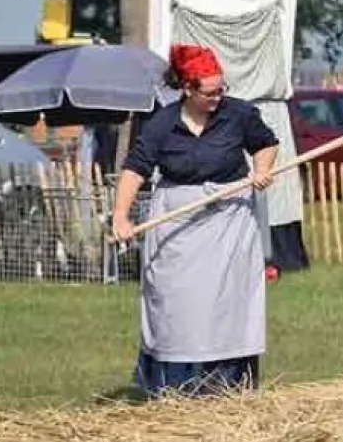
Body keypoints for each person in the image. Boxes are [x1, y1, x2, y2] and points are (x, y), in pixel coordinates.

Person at [111, 43, 279, 398]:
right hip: (178, 224)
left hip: (229, 225)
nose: (218, 96)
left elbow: (265, 143)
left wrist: (262, 171)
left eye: (222, 89)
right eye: (210, 91)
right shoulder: (163, 123)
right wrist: (120, 216)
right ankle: (175, 390)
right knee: (178, 307)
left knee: (226, 306)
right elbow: (135, 168)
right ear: (187, 88)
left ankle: (230, 388)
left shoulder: (239, 115)